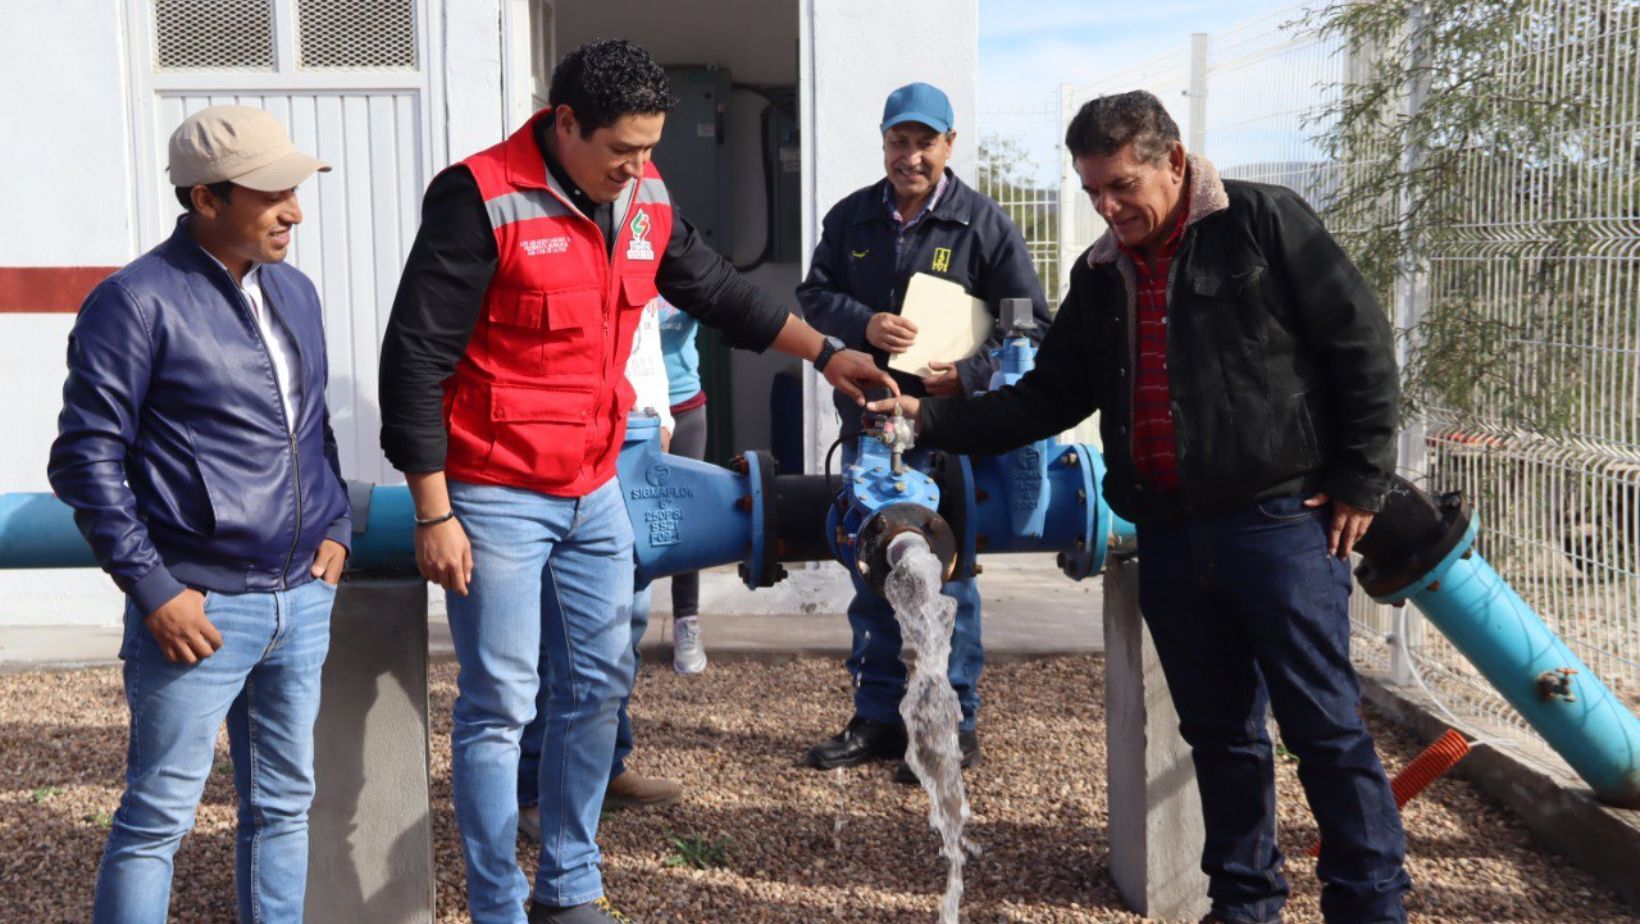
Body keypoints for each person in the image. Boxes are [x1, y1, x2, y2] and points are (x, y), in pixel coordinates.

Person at [377, 39, 893, 924]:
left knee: (599, 685)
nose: (640, 166)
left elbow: (718, 290)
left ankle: (568, 887)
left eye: (651, 148)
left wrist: (827, 353)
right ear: (565, 123)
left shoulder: (645, 199)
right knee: (501, 701)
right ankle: (497, 904)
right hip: (496, 491)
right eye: (623, 149)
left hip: (594, 484)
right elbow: (414, 359)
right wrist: (434, 509)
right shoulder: (481, 198)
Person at [870, 90, 1409, 923]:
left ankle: (1370, 907)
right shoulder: (1099, 275)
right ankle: (1244, 905)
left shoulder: (1264, 223)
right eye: (1092, 191)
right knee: (1222, 739)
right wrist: (928, 415)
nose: (1108, 207)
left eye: (1122, 186)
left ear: (1175, 162)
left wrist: (1362, 478)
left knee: (1325, 732)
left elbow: (1360, 344)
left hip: (1278, 526)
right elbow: (1045, 397)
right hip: (1167, 535)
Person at [48, 105, 351, 922]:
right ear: (205, 198)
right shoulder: (134, 301)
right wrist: (155, 589)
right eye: (271, 193)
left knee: (286, 809)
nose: (293, 209)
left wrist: (337, 527)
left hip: (301, 598)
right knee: (156, 823)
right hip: (199, 608)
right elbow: (84, 458)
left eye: (295, 190)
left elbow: (311, 425)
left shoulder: (295, 289)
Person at [795, 82, 1051, 784]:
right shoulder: (851, 219)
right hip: (873, 423)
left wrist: (965, 377)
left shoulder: (985, 225)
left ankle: (954, 725)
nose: (911, 156)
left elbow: (1029, 324)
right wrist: (862, 324)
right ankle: (878, 718)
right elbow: (812, 295)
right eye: (899, 141)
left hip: (950, 430)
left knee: (950, 573)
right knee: (871, 565)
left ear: (949, 145)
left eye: (924, 142)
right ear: (883, 142)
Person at [517, 297, 681, 844]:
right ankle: (535, 788)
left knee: (624, 623)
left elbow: (646, 342)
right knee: (555, 634)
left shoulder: (640, 229)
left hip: (638, 436)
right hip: (575, 446)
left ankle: (604, 767)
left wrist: (661, 422)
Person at [655, 295, 710, 674]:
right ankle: (621, 623)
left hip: (684, 404)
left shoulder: (682, 269)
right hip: (635, 410)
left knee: (685, 519)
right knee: (625, 515)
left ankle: (686, 620)